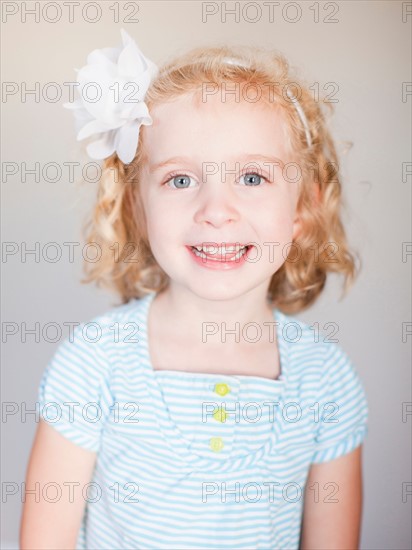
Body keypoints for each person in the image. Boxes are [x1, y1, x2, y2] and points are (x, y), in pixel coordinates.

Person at [20, 30, 368, 549]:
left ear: (302, 209)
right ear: (137, 207)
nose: (216, 210)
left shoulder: (326, 382)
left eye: (252, 177)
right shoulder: (94, 364)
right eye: (180, 180)